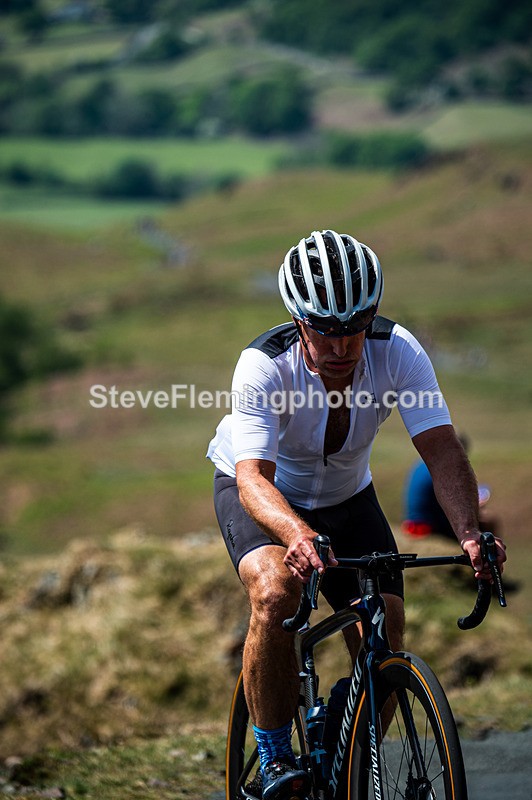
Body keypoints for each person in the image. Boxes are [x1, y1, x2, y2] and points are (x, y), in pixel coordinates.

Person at [207, 229, 506, 800]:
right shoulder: (264, 366)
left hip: (347, 496)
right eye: (327, 330)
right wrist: (295, 534)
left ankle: (347, 750)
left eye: (356, 328)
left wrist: (470, 533)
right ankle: (273, 756)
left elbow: (441, 448)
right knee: (275, 591)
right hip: (267, 495)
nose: (343, 346)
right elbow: (252, 478)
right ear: (299, 322)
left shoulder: (399, 351)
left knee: (386, 627)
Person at [402, 434, 501, 540]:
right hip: (427, 527)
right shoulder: (446, 469)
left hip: (412, 524)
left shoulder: (423, 463)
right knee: (488, 523)